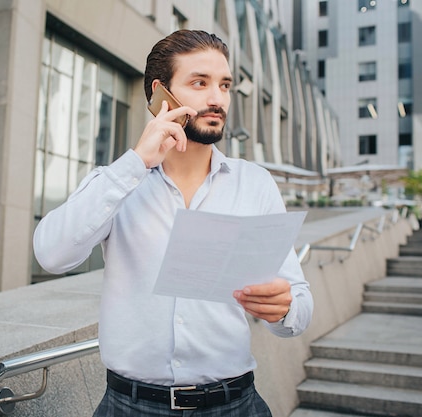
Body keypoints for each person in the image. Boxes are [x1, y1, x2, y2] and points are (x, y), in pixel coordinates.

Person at [33, 29, 313, 416]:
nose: (217, 99)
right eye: (200, 83)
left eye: (225, 84)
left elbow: (298, 309)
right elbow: (51, 255)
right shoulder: (116, 182)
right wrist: (135, 163)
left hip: (235, 405)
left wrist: (283, 308)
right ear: (160, 94)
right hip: (130, 407)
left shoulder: (255, 183)